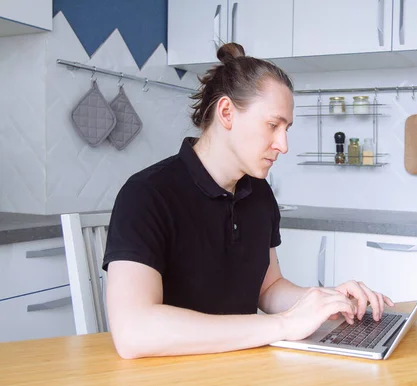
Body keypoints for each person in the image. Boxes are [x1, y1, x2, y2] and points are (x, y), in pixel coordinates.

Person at [102, 42, 394, 359]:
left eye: (286, 128)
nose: (283, 145)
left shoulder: (258, 192)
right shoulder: (147, 194)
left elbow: (267, 289)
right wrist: (283, 325)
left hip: (242, 367)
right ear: (226, 112)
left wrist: (324, 300)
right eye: (272, 125)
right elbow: (134, 331)